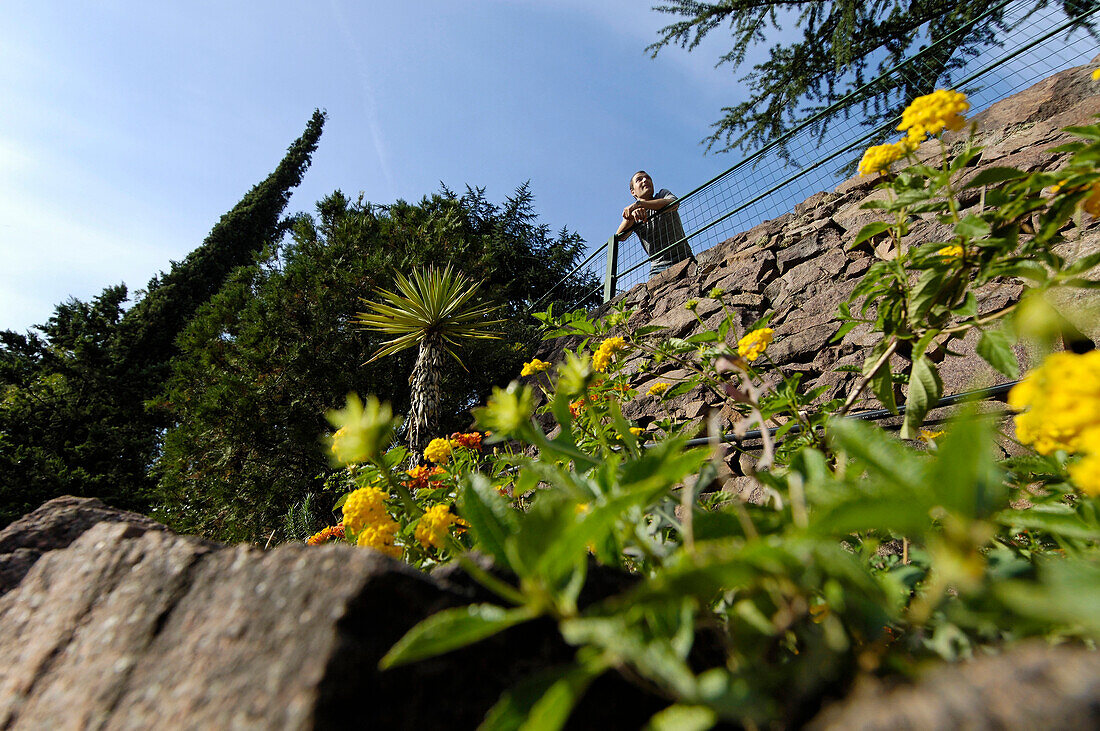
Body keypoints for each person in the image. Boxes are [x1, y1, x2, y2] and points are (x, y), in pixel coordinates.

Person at [615, 170, 693, 275]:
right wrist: (631, 218)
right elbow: (620, 236)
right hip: (658, 268)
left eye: (648, 178)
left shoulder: (662, 194)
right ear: (633, 191)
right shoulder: (633, 213)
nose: (645, 180)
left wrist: (640, 204)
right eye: (639, 179)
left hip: (684, 257)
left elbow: (674, 204)